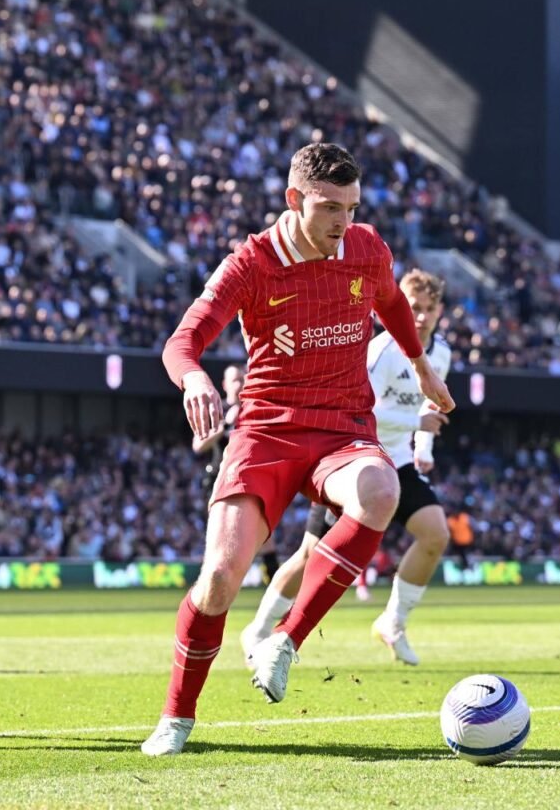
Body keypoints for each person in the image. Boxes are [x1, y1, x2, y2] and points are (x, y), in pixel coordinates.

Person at [141, 143, 453, 756]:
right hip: (266, 431)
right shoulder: (250, 264)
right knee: (220, 579)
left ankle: (285, 638)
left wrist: (421, 367)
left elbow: (390, 302)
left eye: (352, 206)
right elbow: (182, 343)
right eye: (330, 207)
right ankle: (177, 717)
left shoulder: (366, 248)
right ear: (294, 200)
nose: (344, 221)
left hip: (343, 426)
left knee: (381, 490)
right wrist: (196, 378)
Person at [241, 269, 454, 668]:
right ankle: (258, 628)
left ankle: (393, 622)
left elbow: (430, 405)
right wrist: (416, 427)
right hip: (355, 459)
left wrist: (423, 446)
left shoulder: (440, 354)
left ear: (440, 311)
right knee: (309, 555)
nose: (420, 317)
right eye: (412, 309)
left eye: (428, 309)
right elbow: (365, 408)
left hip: (399, 463)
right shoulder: (380, 351)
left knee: (435, 534)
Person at [194, 365, 281, 583]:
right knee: (218, 541)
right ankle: (208, 589)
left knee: (266, 539)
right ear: (224, 385)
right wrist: (224, 425)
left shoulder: (256, 410)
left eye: (242, 379)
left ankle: (276, 596)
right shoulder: (218, 410)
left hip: (250, 478)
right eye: (234, 380)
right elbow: (198, 445)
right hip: (219, 480)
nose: (239, 384)